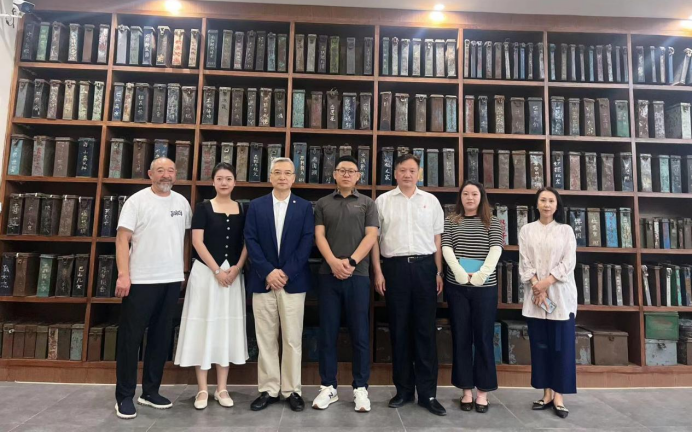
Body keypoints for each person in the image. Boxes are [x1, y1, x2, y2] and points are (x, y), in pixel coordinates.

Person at [114, 157, 192, 419]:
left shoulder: (181, 203)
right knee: (131, 339)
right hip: (140, 281)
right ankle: (124, 396)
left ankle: (150, 391)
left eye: (170, 171)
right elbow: (122, 239)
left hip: (170, 280)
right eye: (160, 170)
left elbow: (185, 239)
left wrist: (182, 271)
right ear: (150, 174)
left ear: (175, 174)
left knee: (160, 338)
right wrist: (123, 275)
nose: (165, 175)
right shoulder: (136, 201)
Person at [371, 154, 446, 416]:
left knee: (425, 331)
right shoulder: (382, 201)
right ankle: (403, 390)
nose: (407, 174)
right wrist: (378, 272)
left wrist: (438, 272)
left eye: (412, 170)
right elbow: (374, 240)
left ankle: (428, 394)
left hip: (425, 268)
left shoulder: (431, 201)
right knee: (399, 330)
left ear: (419, 174)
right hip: (395, 269)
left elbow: (437, 240)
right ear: (395, 173)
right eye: (402, 170)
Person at [174, 162, 248, 410]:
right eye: (219, 178)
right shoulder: (203, 208)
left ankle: (222, 388)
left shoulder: (242, 209)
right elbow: (197, 241)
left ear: (235, 182)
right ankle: (203, 389)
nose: (224, 182)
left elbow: (247, 242)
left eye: (228, 178)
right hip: (206, 275)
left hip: (233, 275)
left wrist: (237, 267)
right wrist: (216, 270)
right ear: (213, 182)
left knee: (225, 327)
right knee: (203, 326)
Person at [244, 157, 315, 412]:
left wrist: (285, 272)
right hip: (263, 281)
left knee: (293, 338)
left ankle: (292, 390)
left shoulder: (304, 207)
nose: (282, 177)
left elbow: (307, 242)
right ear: (270, 177)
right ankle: (269, 389)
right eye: (277, 172)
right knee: (265, 338)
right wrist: (268, 272)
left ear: (294, 178)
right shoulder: (256, 205)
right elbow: (250, 240)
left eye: (287, 173)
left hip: (293, 281)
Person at [312, 155, 379, 413]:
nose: (347, 174)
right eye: (342, 170)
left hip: (358, 275)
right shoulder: (322, 203)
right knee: (327, 333)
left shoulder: (367, 203)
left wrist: (350, 262)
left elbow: (371, 235)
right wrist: (332, 262)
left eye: (351, 171)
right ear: (335, 174)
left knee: (359, 334)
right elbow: (319, 235)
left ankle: (360, 388)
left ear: (359, 176)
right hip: (328, 276)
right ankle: (328, 386)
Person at [441, 180, 504, 414]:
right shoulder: (451, 220)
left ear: (481, 197)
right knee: (461, 337)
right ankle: (466, 390)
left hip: (484, 287)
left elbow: (496, 249)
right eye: (465, 194)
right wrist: (458, 272)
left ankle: (483, 393)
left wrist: (481, 275)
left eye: (474, 194)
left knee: (484, 338)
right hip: (457, 286)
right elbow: (446, 248)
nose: (470, 198)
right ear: (460, 197)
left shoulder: (492, 221)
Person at [518, 187, 577, 419]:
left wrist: (545, 283)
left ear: (557, 205)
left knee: (561, 348)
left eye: (551, 201)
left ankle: (559, 396)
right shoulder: (527, 230)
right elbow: (525, 261)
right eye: (543, 200)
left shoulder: (565, 230)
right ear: (537, 204)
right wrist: (536, 285)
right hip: (536, 298)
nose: (547, 204)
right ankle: (546, 394)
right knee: (540, 347)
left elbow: (568, 262)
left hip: (560, 297)